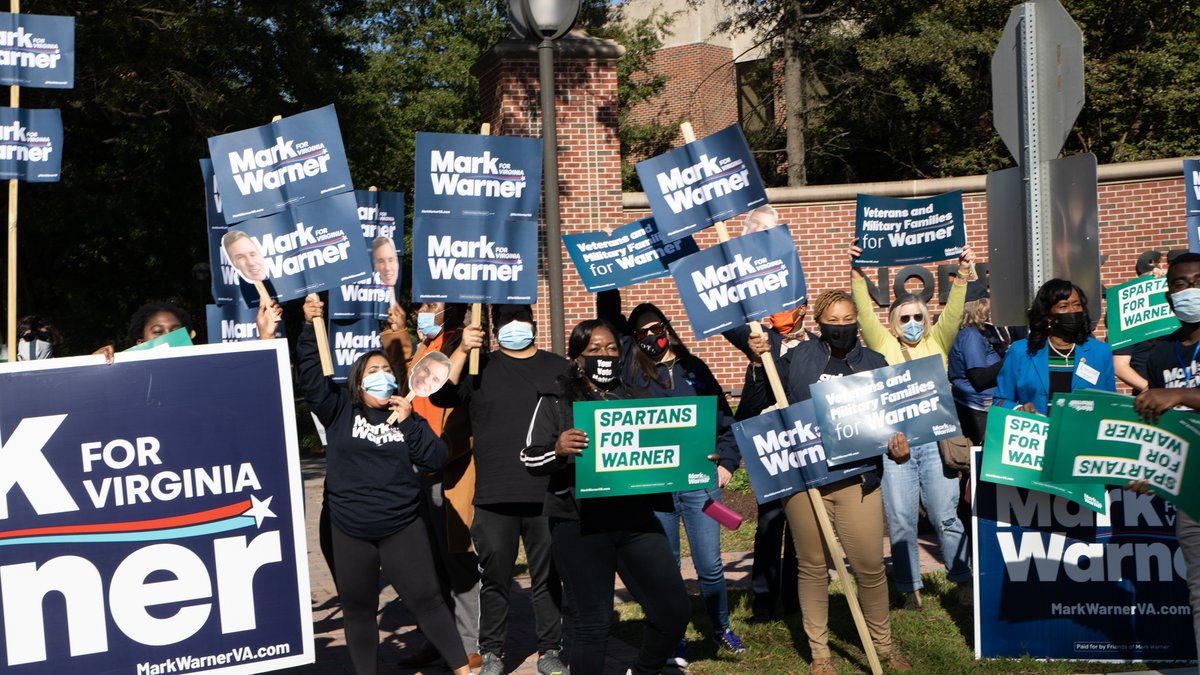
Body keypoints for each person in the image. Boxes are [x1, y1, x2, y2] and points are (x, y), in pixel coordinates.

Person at [297, 295, 469, 675]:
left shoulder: (405, 415)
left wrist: (409, 421)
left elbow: (436, 458)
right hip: (350, 529)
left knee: (428, 601)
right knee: (359, 612)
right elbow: (310, 377)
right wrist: (311, 328)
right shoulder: (340, 408)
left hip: (402, 526)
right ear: (358, 382)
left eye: (385, 368)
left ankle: (462, 669)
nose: (381, 374)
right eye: (371, 370)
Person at [742, 289, 911, 674]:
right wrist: (757, 362)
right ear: (818, 323)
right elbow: (755, 403)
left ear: (858, 322)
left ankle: (883, 646)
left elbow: (895, 422)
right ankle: (820, 654)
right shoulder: (796, 358)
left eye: (847, 320)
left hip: (858, 480)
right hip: (806, 482)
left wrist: (899, 446)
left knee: (869, 565)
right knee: (812, 565)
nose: (840, 328)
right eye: (831, 322)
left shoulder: (875, 363)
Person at [520, 319, 690, 675]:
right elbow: (529, 457)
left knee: (673, 610)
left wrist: (693, 456)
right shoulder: (555, 398)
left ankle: (643, 670)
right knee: (592, 624)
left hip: (636, 520)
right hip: (579, 526)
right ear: (576, 357)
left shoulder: (637, 398)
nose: (604, 355)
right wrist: (558, 449)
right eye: (594, 350)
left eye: (611, 348)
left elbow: (667, 448)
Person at [598, 291, 744, 664]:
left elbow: (725, 421)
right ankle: (673, 635)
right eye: (641, 331)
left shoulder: (694, 368)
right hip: (655, 488)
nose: (651, 335)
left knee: (710, 564)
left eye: (656, 328)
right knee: (668, 568)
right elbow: (611, 321)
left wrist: (726, 462)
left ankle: (720, 626)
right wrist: (608, 284)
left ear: (667, 328)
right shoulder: (630, 372)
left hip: (700, 484)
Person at [429, 304, 568, 675]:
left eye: (519, 320)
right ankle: (490, 652)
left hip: (546, 492)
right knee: (494, 580)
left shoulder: (559, 367)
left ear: (534, 325)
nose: (514, 327)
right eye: (505, 322)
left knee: (547, 578)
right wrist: (461, 349)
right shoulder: (479, 366)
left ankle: (550, 650)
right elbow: (441, 395)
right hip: (493, 494)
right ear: (494, 329)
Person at [849, 241, 976, 609]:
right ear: (893, 323)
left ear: (927, 320)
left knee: (946, 517)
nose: (912, 323)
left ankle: (962, 581)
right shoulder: (884, 345)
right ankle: (910, 590)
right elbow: (863, 313)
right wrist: (856, 271)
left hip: (936, 445)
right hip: (897, 447)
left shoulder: (938, 341)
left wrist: (963, 271)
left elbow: (953, 311)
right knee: (902, 521)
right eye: (904, 318)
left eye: (918, 317)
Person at [384, 302, 483, 670]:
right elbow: (402, 380)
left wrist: (466, 343)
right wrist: (395, 332)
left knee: (459, 560)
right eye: (421, 305)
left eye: (432, 305)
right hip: (416, 471)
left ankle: (471, 643)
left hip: (449, 469)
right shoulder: (426, 346)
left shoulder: (462, 345)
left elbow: (454, 401)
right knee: (430, 563)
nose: (423, 311)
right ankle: (440, 639)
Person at [1129, 252, 1200, 660]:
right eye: (1180, 284)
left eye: (1197, 281)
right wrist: (1146, 471)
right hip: (1190, 493)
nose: (1189, 291)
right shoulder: (1158, 356)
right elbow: (1157, 431)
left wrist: (1179, 395)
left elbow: (1170, 401)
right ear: (1168, 294)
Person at [993, 278, 1116, 416]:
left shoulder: (1100, 352)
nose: (1072, 311)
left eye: (1077, 305)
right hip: (1038, 434)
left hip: (1083, 435)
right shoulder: (1021, 352)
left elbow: (1109, 404)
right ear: (1048, 316)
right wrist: (1019, 409)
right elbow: (1000, 401)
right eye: (1064, 306)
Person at [947, 281, 1002, 444]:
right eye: (986, 303)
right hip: (978, 410)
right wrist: (1009, 360)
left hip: (980, 408)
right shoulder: (970, 335)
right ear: (977, 307)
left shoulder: (975, 332)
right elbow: (979, 377)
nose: (989, 308)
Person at [1114, 252, 1167, 393]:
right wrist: (1149, 390)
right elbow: (1119, 365)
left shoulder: (1177, 312)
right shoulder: (1126, 316)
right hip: (1150, 398)